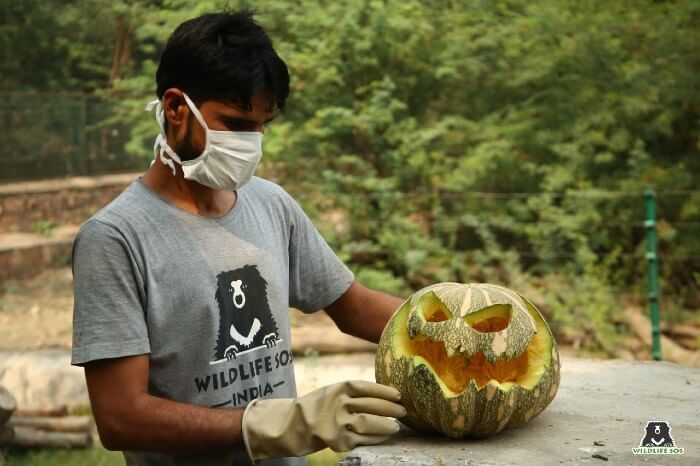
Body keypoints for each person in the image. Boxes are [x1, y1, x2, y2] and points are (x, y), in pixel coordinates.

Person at [71, 10, 407, 466]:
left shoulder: (270, 204)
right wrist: (274, 425)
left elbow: (354, 306)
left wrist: (446, 321)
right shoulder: (114, 240)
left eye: (262, 126)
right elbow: (121, 417)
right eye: (237, 124)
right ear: (175, 108)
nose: (253, 142)